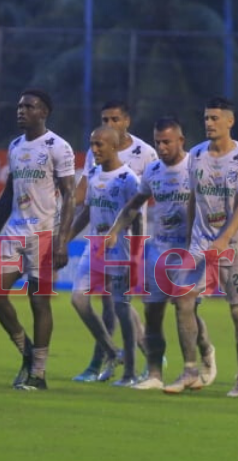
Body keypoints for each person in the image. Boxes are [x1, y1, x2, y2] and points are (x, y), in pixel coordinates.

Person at [105, 117, 216, 390]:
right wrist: (116, 229)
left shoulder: (196, 167)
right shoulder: (153, 171)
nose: (162, 147)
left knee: (183, 306)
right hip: (158, 250)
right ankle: (155, 374)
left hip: (190, 251)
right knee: (153, 312)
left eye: (167, 141)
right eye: (157, 142)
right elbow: (135, 204)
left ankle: (198, 362)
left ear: (181, 141)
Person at [0, 89, 75, 391]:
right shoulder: (15, 146)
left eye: (29, 106)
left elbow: (71, 195)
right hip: (14, 232)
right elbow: (7, 194)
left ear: (44, 112)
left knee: (39, 302)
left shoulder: (58, 147)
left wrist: (63, 241)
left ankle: (39, 373)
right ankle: (26, 352)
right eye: (20, 105)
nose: (21, 111)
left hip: (45, 234)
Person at [172, 97, 238, 397]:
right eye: (206, 118)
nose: (208, 123)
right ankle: (190, 371)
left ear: (229, 122)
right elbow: (194, 197)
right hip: (200, 241)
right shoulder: (195, 155)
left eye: (214, 118)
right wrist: (189, 239)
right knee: (181, 300)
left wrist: (223, 239)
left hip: (235, 244)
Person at [74, 100, 158, 375]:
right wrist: (64, 235)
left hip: (123, 241)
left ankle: (118, 364)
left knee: (117, 305)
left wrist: (138, 249)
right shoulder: (96, 154)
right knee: (89, 300)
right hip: (98, 241)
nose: (109, 124)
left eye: (114, 119)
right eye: (105, 119)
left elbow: (143, 205)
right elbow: (86, 200)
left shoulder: (146, 154)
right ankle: (116, 355)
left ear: (126, 121)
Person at [67, 126, 142, 386]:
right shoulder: (96, 174)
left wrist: (135, 258)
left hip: (119, 250)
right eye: (92, 144)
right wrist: (66, 238)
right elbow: (87, 211)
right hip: (94, 247)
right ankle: (112, 351)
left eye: (99, 145)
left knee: (122, 310)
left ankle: (130, 372)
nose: (94, 150)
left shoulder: (128, 179)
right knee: (78, 299)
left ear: (114, 146)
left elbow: (137, 218)